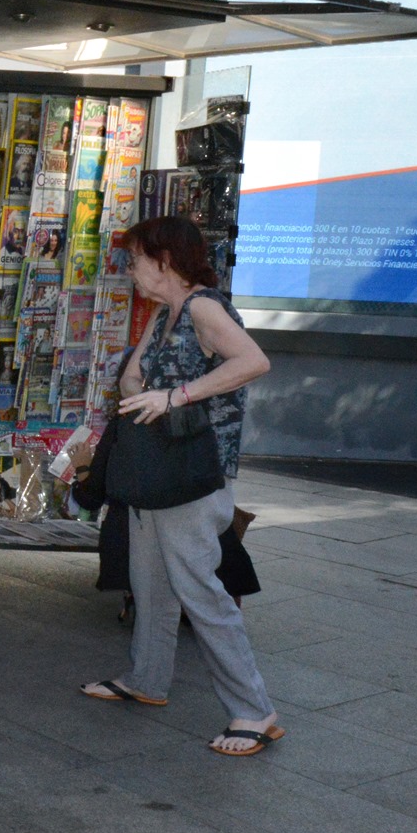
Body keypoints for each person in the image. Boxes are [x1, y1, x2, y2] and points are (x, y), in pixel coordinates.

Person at [81, 216, 280, 757]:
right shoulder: (165, 313)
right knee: (150, 580)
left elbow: (253, 361)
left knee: (197, 588)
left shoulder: (203, 308)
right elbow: (132, 382)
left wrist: (177, 395)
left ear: (164, 260)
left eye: (137, 258)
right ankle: (148, 679)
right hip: (156, 468)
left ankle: (253, 709)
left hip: (194, 470)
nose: (131, 270)